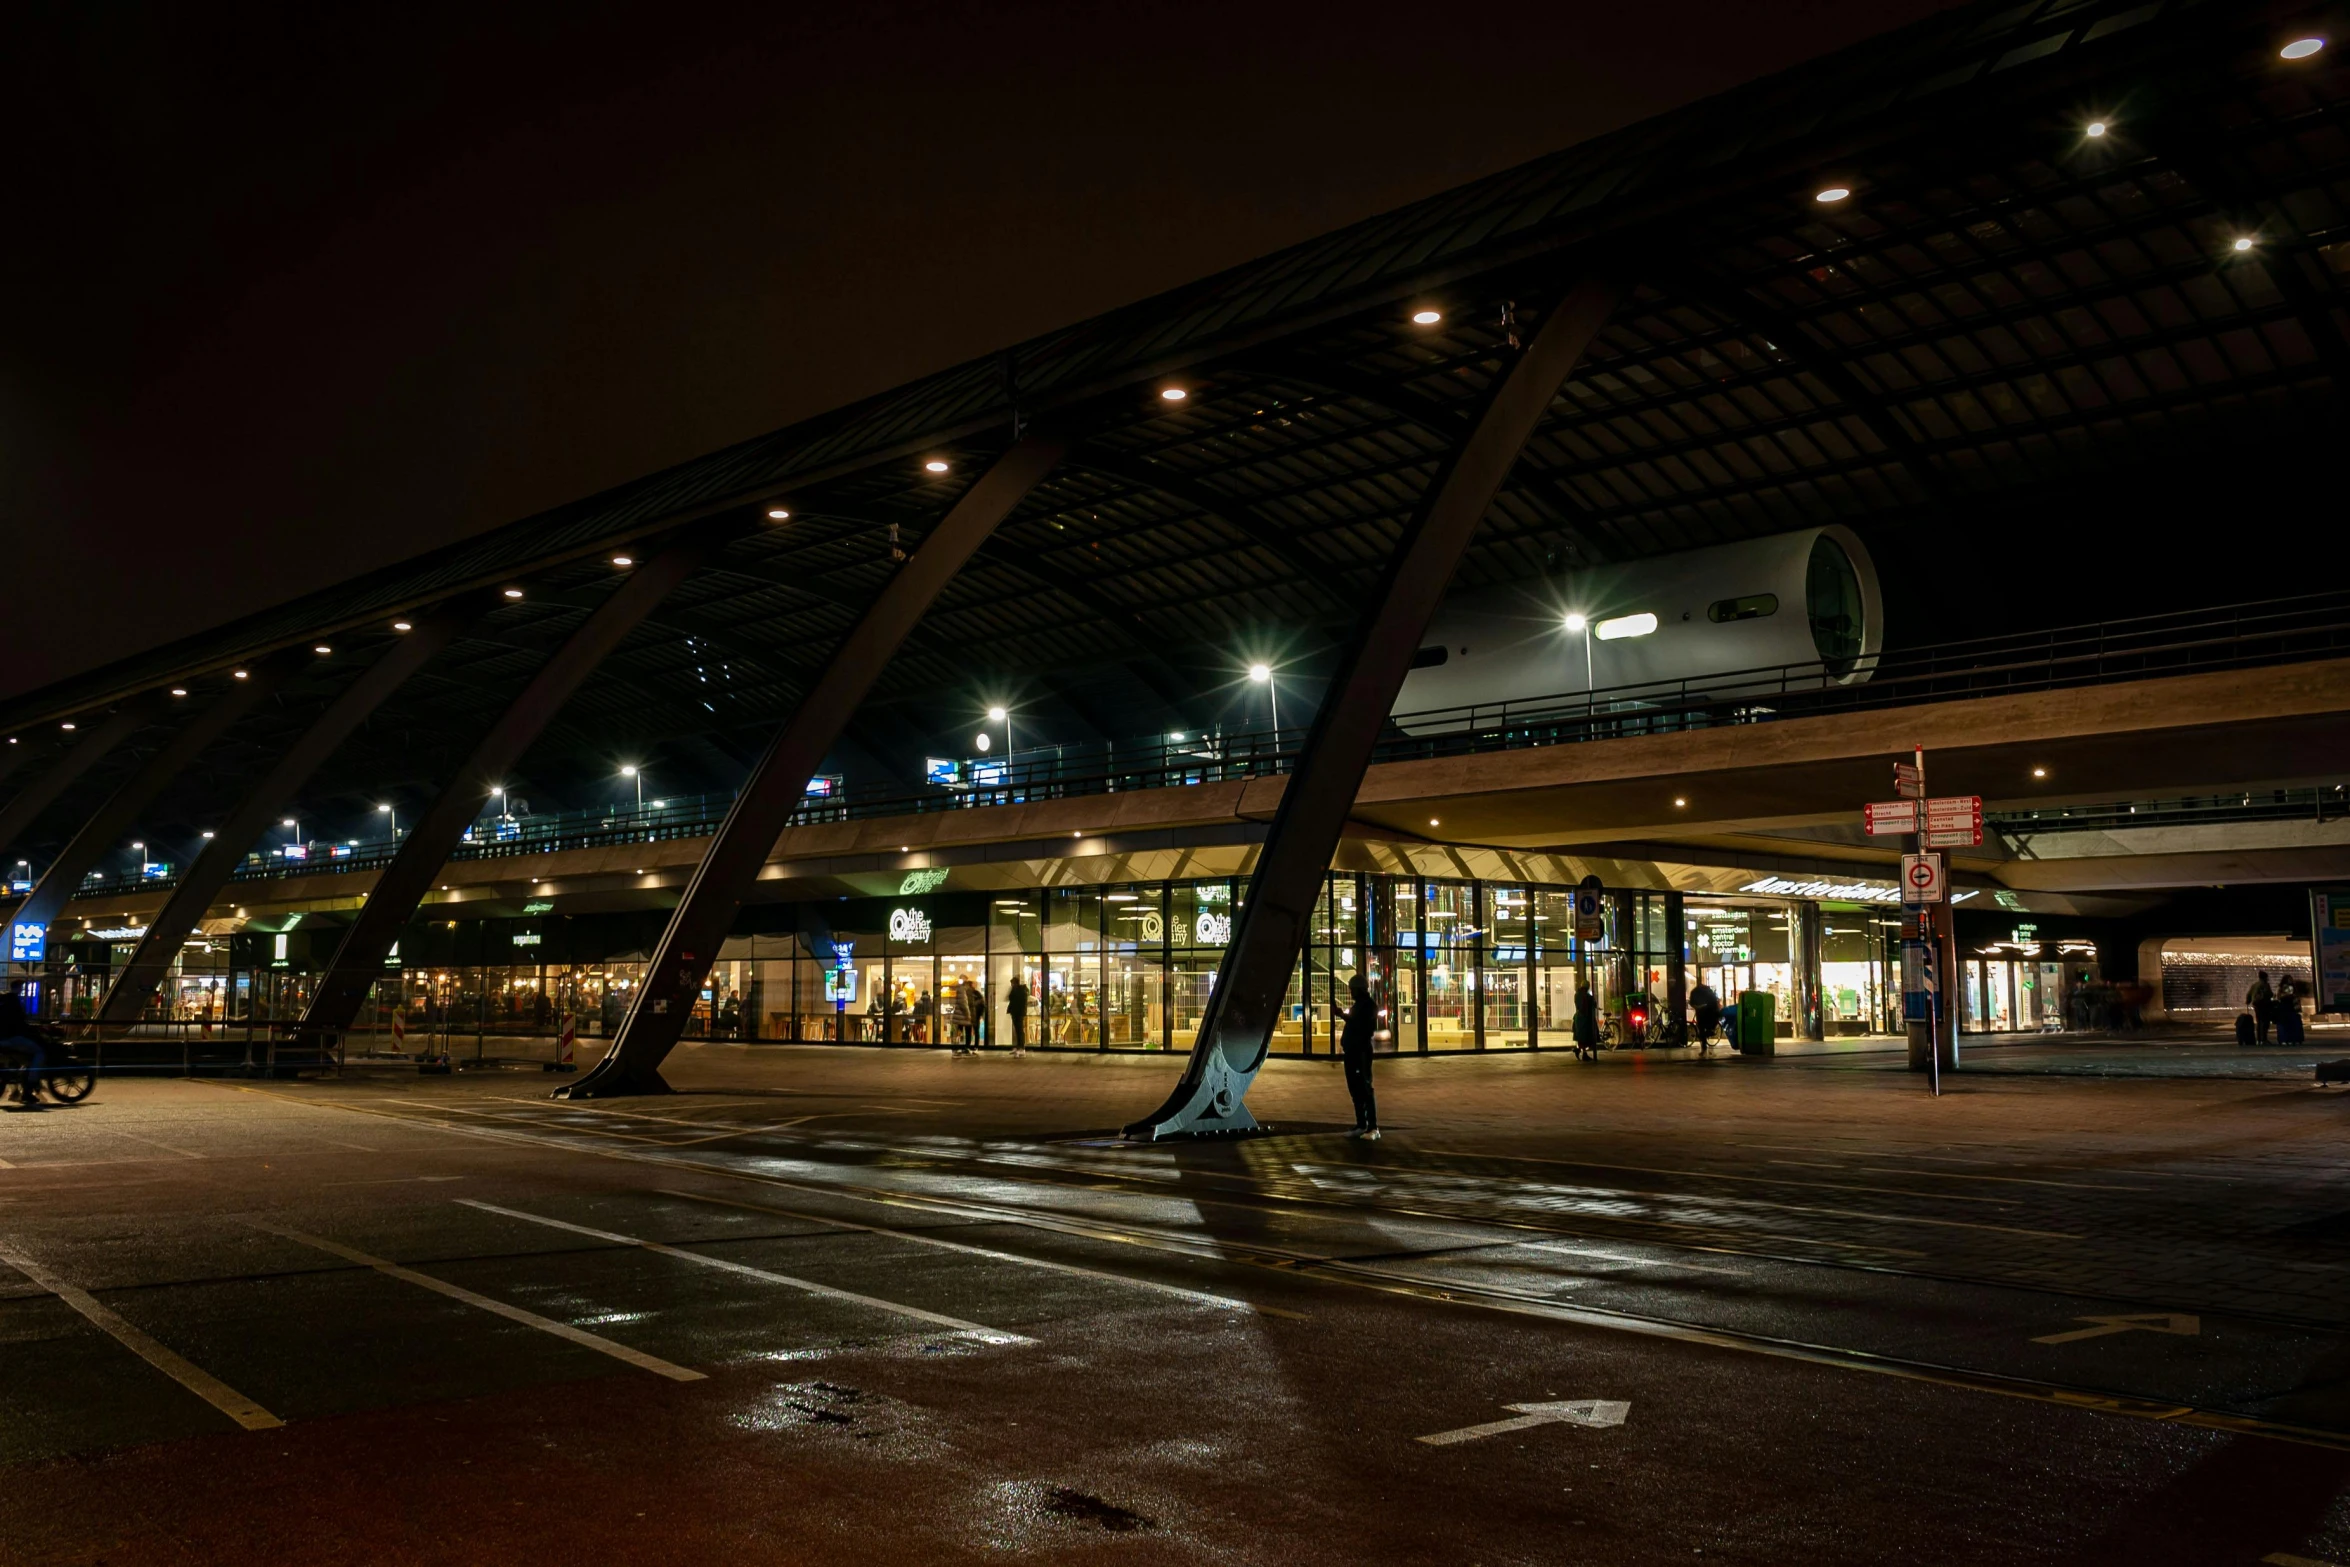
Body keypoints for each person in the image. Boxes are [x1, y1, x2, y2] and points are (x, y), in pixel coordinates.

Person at [1338, 970, 1380, 1140]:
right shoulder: (1360, 1006)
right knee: (1355, 1089)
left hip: (1360, 1052)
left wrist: (1342, 1016)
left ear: (1359, 989)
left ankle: (1372, 1126)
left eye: (1352, 989)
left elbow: (1360, 1026)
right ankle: (1361, 1124)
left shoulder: (1368, 1006)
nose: (1350, 992)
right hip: (1353, 1051)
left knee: (1364, 1088)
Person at [1689, 980, 1720, 1055]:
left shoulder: (1695, 992)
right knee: (1709, 1026)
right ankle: (1709, 1032)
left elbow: (1691, 1002)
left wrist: (1696, 1007)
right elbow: (1714, 1002)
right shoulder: (1708, 991)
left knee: (1701, 1029)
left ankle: (1704, 1047)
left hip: (1700, 1013)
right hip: (1709, 1013)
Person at [1571, 983, 1600, 1061]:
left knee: (1582, 1039)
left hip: (1579, 1019)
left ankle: (1581, 1052)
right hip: (1585, 1019)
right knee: (1588, 1037)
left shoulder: (1577, 995)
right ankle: (1581, 1052)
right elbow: (1591, 1004)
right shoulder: (1587, 996)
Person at [2247, 969, 2275, 1045]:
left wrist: (2248, 1001)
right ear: (2265, 977)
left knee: (2259, 1022)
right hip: (2264, 1005)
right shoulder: (2265, 985)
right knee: (2265, 1022)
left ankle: (2259, 1039)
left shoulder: (2254, 985)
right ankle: (2264, 1039)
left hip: (2256, 1005)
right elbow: (2269, 994)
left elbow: (2249, 994)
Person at [1006, 972, 1030, 1055]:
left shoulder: (1020, 991)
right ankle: (1018, 1046)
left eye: (1012, 983)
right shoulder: (1019, 990)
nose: (1011, 985)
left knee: (1019, 1030)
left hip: (1018, 1012)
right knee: (1017, 1030)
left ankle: (1021, 1047)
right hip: (1016, 1012)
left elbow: (1013, 999)